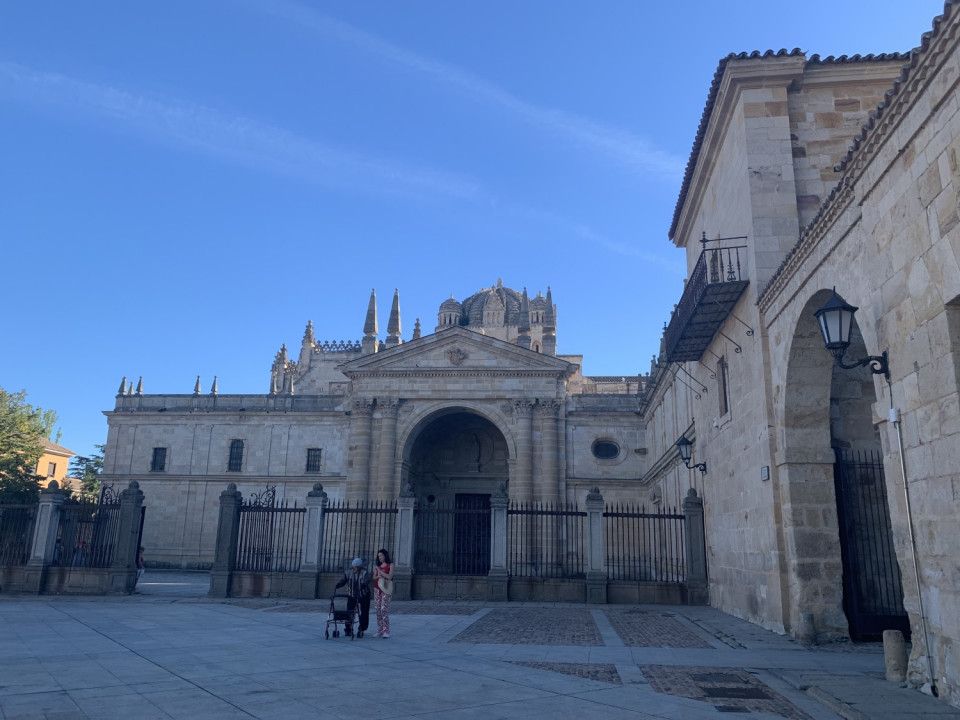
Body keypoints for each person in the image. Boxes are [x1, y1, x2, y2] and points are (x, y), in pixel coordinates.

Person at [334, 557, 371, 637]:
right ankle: (348, 629)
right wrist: (339, 584)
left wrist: (364, 584)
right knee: (349, 611)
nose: (355, 568)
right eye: (354, 566)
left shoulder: (364, 572)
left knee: (364, 612)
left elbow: (367, 580)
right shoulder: (348, 572)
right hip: (352, 595)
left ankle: (362, 628)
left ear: (360, 566)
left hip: (364, 595)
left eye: (357, 567)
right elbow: (343, 580)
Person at [372, 548, 394, 638]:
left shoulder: (390, 565)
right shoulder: (378, 566)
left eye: (381, 555)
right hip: (377, 589)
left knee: (383, 609)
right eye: (378, 556)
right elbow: (374, 577)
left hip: (386, 589)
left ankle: (386, 631)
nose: (380, 557)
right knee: (377, 610)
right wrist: (378, 575)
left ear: (385, 555)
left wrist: (381, 572)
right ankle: (380, 630)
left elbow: (390, 576)